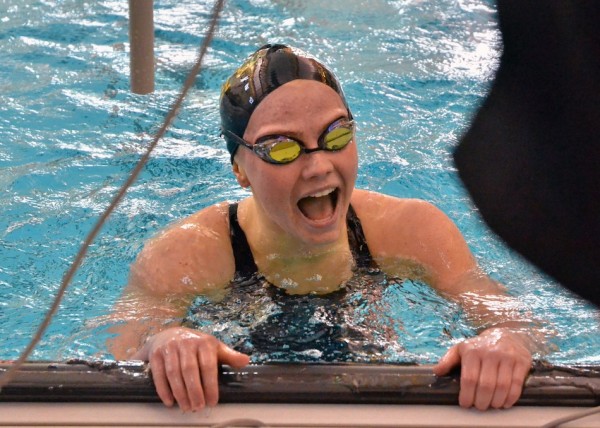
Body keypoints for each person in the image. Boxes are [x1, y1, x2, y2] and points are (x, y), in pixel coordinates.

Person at [109, 44, 542, 412]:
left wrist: (506, 339)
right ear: (240, 169)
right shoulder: (187, 254)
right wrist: (165, 342)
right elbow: (120, 352)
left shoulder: (412, 230)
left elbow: (514, 321)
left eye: (335, 135)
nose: (318, 166)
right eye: (281, 147)